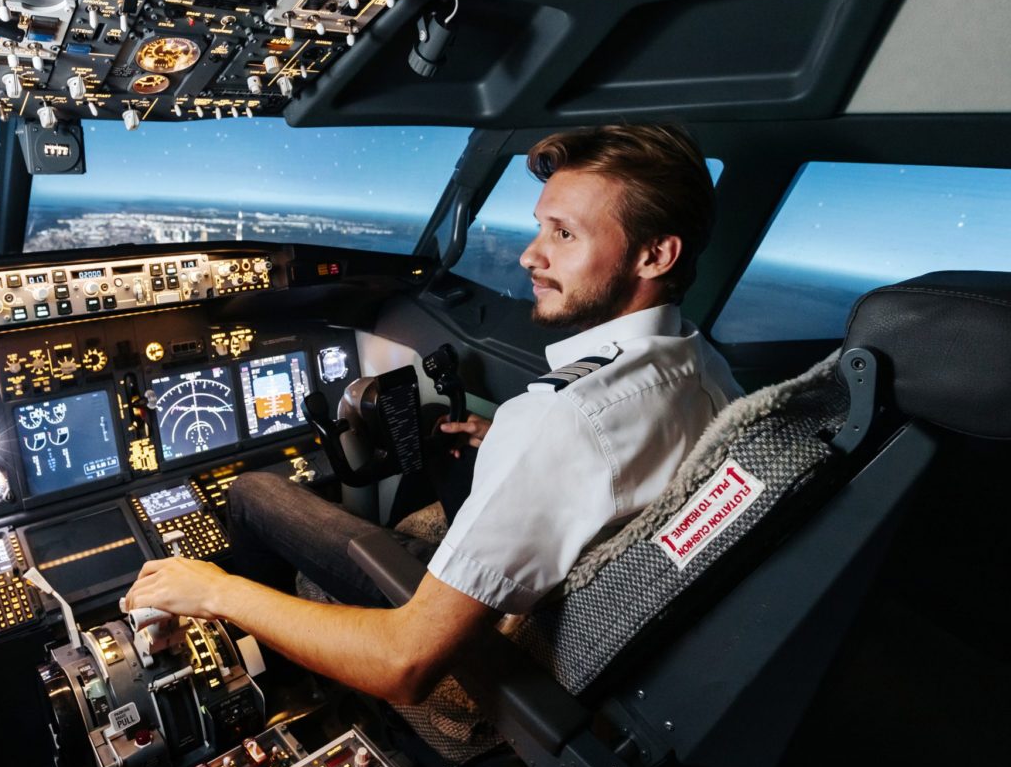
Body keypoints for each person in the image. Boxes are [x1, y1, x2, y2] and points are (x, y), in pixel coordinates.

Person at [126, 125, 743, 704]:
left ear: (655, 255)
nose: (531, 257)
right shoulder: (697, 361)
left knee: (254, 491)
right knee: (446, 446)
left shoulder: (565, 418)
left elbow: (405, 665)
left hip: (492, 651)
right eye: (540, 228)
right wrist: (510, 441)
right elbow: (624, 462)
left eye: (564, 234)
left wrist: (216, 589)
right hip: (600, 628)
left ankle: (282, 683)